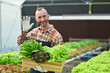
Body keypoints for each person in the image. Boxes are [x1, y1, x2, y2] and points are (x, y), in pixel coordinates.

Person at [17, 7, 63, 73]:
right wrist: (24, 33)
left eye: (44, 16)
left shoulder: (56, 36)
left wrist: (46, 69)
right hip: (34, 69)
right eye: (39, 17)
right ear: (36, 19)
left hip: (49, 70)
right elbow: (20, 43)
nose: (42, 19)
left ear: (48, 16)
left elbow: (59, 59)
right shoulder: (34, 32)